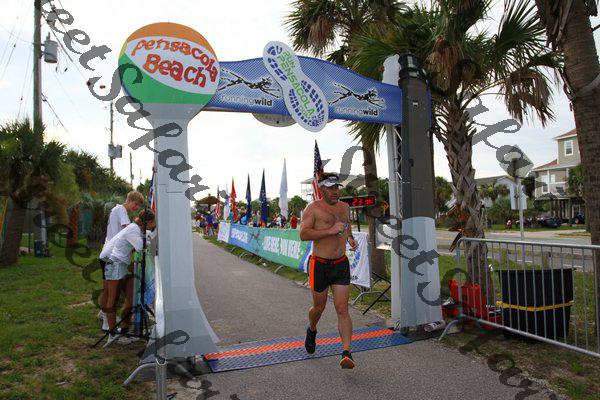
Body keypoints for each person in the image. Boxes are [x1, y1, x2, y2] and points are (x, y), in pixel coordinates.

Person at [299, 172, 358, 369]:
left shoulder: (344, 207)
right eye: (331, 188)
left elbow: (346, 226)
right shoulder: (312, 208)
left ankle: (346, 353)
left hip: (340, 263)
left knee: (342, 309)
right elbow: (303, 234)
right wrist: (330, 231)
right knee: (319, 308)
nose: (335, 192)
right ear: (322, 189)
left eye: (337, 188)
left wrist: (350, 238)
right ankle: (312, 328)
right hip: (320, 264)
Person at [100, 209, 156, 346]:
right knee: (112, 298)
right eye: (153, 223)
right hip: (115, 263)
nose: (154, 225)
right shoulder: (133, 229)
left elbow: (144, 237)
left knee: (129, 295)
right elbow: (140, 247)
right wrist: (150, 239)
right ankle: (112, 333)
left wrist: (148, 235)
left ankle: (123, 329)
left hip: (120, 263)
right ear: (148, 222)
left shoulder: (135, 228)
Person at [99, 191, 143, 332]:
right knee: (110, 292)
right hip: (112, 255)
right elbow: (127, 229)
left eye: (138, 206)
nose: (136, 207)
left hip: (109, 251)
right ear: (128, 200)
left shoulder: (118, 210)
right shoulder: (121, 210)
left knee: (107, 289)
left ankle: (103, 313)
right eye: (135, 204)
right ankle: (107, 322)